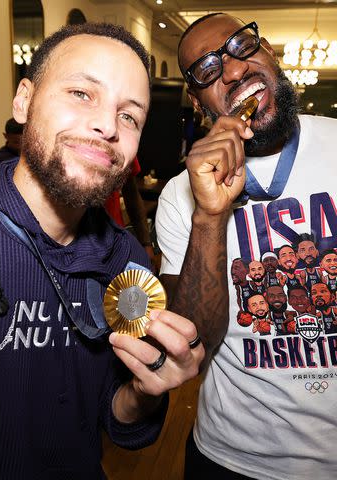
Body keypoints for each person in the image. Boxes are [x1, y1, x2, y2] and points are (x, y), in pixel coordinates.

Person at [0, 22, 204, 479]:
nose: (106, 126)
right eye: (81, 93)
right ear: (24, 100)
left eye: (129, 116)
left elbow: (117, 419)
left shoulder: (129, 264)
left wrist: (145, 390)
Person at [155, 11, 337, 480]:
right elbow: (191, 342)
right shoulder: (179, 194)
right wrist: (210, 214)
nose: (234, 70)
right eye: (209, 70)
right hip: (234, 459)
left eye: (242, 47)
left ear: (270, 53)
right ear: (199, 104)